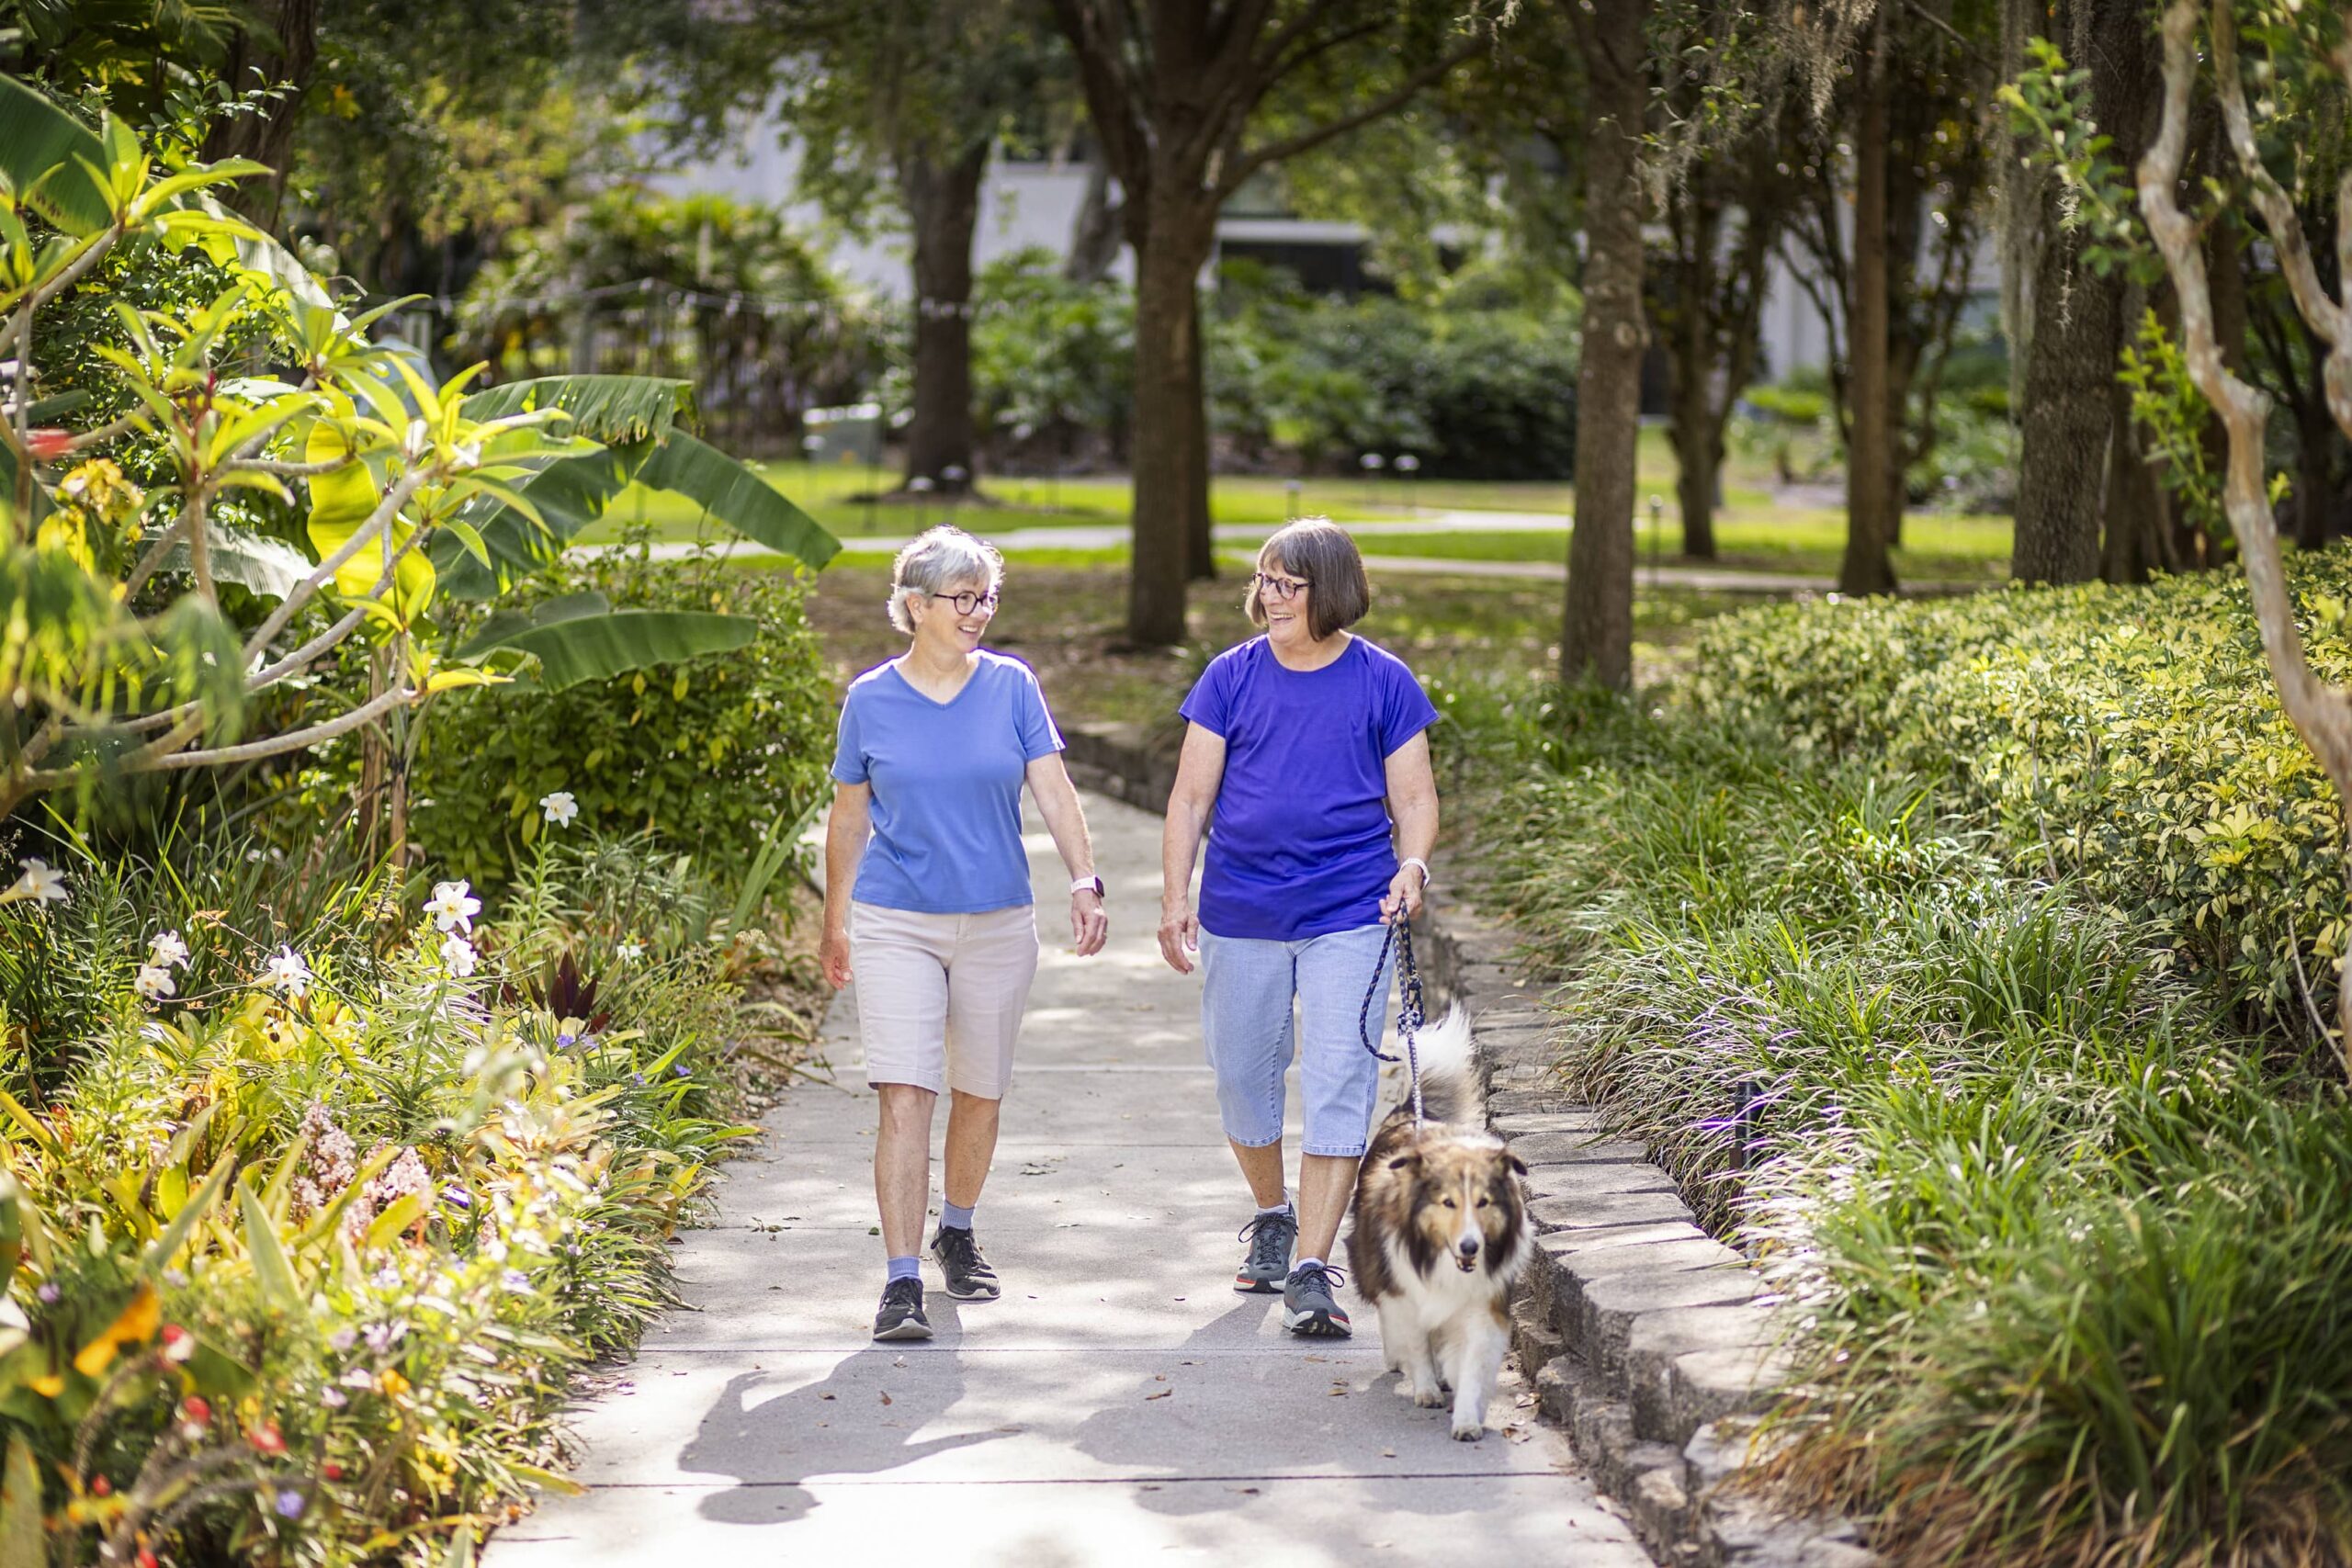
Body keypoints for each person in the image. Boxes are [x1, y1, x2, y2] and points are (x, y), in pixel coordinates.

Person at [820, 526, 1110, 1342]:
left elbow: (1053, 789)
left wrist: (1084, 880)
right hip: (895, 919)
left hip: (996, 920)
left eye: (987, 596)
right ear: (915, 606)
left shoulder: (1012, 687)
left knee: (980, 1092)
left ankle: (959, 1226)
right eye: (963, 598)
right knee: (906, 1094)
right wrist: (835, 919)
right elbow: (849, 817)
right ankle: (901, 1281)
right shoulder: (870, 698)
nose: (980, 611)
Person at [1157, 519, 1441, 1337]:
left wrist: (1410, 866)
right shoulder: (1229, 677)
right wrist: (1176, 895)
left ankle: (1313, 1267)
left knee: (1339, 1076)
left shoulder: (1382, 680)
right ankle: (1272, 1213)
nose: (1269, 596)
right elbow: (1188, 798)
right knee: (1244, 1072)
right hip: (1242, 907)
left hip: (1351, 906)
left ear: (1331, 590)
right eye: (1265, 580)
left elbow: (1415, 799)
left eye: (1288, 583)